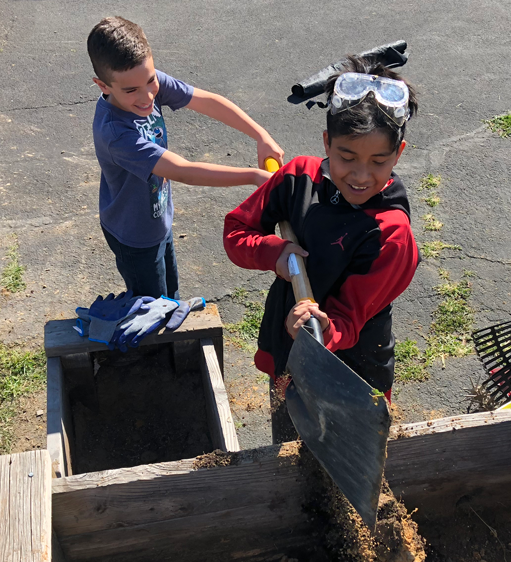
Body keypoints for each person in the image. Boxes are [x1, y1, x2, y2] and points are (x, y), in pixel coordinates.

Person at [222, 56, 420, 442]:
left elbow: (349, 320)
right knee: (290, 439)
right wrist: (273, 253)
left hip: (354, 362)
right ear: (327, 142)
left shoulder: (392, 233)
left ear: (399, 154)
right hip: (289, 342)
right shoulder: (297, 178)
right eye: (347, 157)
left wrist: (324, 328)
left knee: (349, 451)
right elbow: (236, 231)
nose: (361, 176)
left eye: (379, 162)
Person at [87, 16, 283, 299]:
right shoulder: (116, 134)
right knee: (153, 307)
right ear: (103, 86)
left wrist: (260, 134)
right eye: (131, 91)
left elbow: (206, 101)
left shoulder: (141, 80)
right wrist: (252, 176)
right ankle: (157, 343)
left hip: (157, 218)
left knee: (170, 294)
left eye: (151, 80)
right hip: (134, 236)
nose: (147, 96)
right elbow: (184, 171)